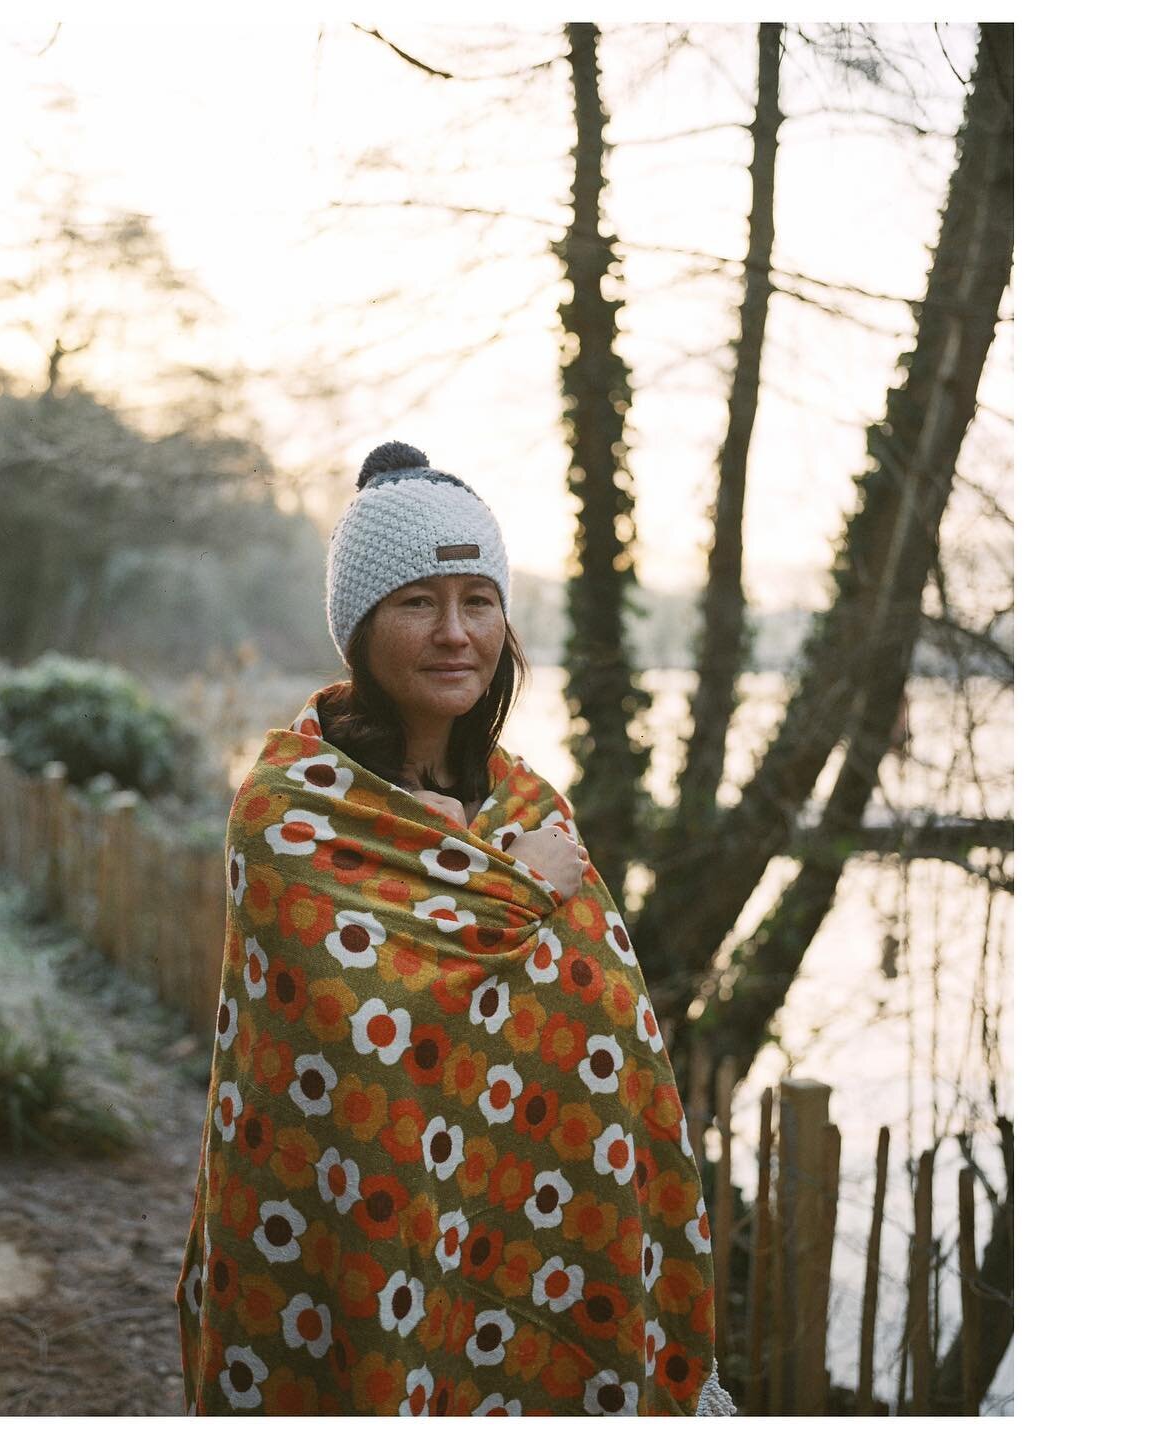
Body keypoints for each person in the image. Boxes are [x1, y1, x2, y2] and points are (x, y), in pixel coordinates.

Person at [176, 441, 734, 1416]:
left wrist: (505, 885)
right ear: (359, 628)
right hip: (358, 1230)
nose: (454, 634)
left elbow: (604, 1035)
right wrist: (515, 896)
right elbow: (359, 1027)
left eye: (478, 601)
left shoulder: (526, 805)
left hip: (518, 1231)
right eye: (416, 603)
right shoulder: (289, 810)